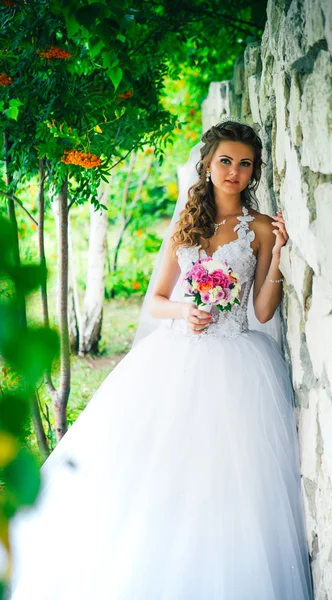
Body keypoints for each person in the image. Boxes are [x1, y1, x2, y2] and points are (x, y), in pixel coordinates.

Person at [6, 118, 314, 599]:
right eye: (226, 161)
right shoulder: (187, 223)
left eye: (245, 164)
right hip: (178, 355)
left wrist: (276, 257)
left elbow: (261, 310)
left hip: (238, 359)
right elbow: (155, 302)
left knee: (228, 474)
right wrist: (186, 311)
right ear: (208, 165)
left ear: (254, 173)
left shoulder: (259, 229)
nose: (234, 171)